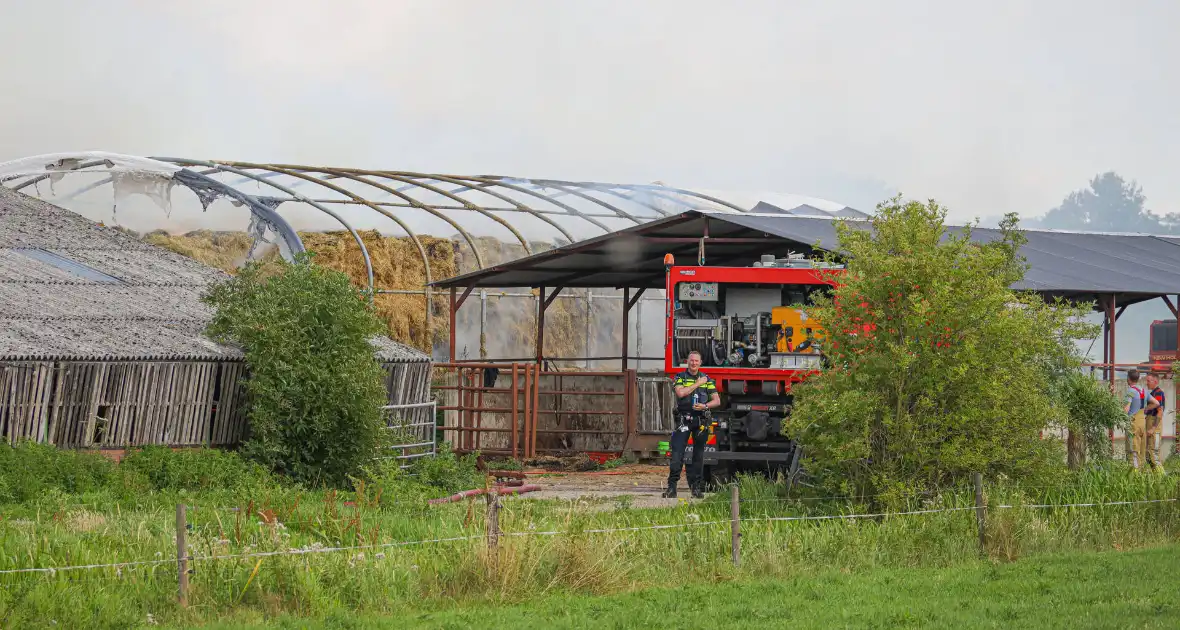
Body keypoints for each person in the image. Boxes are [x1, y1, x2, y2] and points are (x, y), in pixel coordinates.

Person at [664, 350, 720, 499]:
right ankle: (671, 488)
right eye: (691, 360)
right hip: (683, 420)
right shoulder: (680, 377)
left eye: (696, 361)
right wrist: (697, 383)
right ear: (687, 362)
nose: (694, 363)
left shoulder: (707, 379)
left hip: (700, 421)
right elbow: (681, 393)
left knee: (698, 456)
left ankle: (696, 488)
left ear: (700, 363)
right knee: (677, 454)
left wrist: (705, 406)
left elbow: (717, 400)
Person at [1124, 370, 1158, 469]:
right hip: (1142, 421)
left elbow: (1126, 408)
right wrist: (1146, 409)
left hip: (1133, 423)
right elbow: (1156, 403)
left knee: (1133, 450)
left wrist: (1121, 416)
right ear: (1138, 379)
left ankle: (1133, 477)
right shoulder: (1143, 391)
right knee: (1142, 450)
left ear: (1128, 379)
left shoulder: (1130, 391)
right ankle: (1142, 475)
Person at [1145, 373, 1166, 471]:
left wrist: (1153, 428)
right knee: (1149, 455)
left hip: (1154, 426)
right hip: (1150, 425)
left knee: (1154, 454)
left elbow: (1160, 411)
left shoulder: (1158, 392)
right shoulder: (1152, 393)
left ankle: (1162, 480)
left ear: (1156, 382)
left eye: (1149, 381)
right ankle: (1156, 479)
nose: (1147, 383)